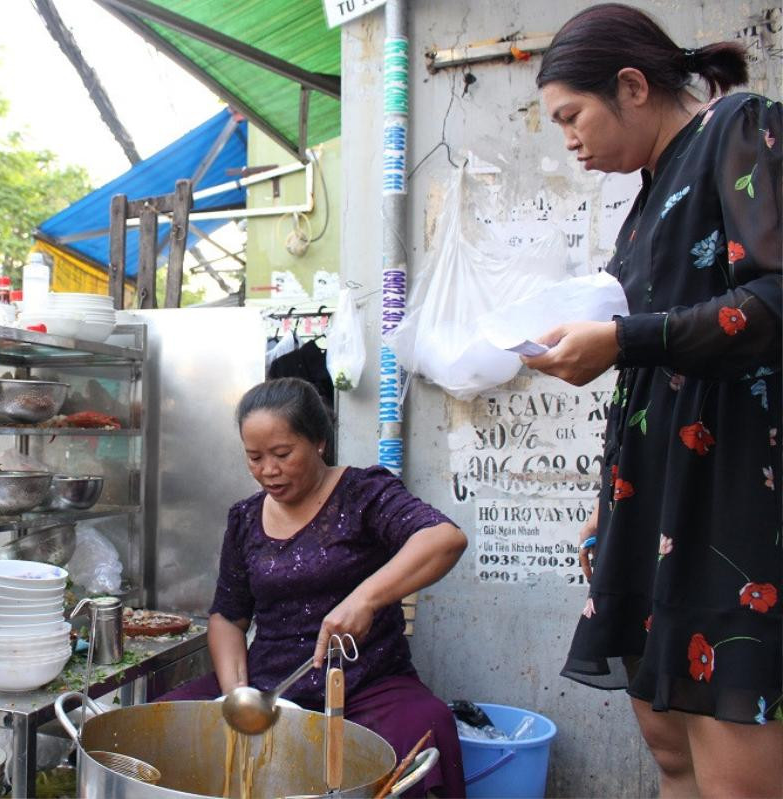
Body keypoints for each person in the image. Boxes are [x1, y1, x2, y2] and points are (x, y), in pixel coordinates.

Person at [526, 5, 782, 796]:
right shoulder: (645, 199)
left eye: (573, 116)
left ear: (631, 86)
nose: (568, 140)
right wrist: (608, 496)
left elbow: (773, 297)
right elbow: (648, 366)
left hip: (732, 490)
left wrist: (621, 339)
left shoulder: (740, 128)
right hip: (653, 495)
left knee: (735, 775)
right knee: (672, 754)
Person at [159, 377, 469, 797]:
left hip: (367, 684)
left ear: (319, 441)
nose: (268, 470)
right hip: (271, 686)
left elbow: (443, 539)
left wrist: (365, 598)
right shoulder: (245, 518)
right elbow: (228, 616)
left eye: (282, 454)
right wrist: (239, 699)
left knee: (426, 725)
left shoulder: (364, 493)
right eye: (254, 457)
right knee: (161, 726)